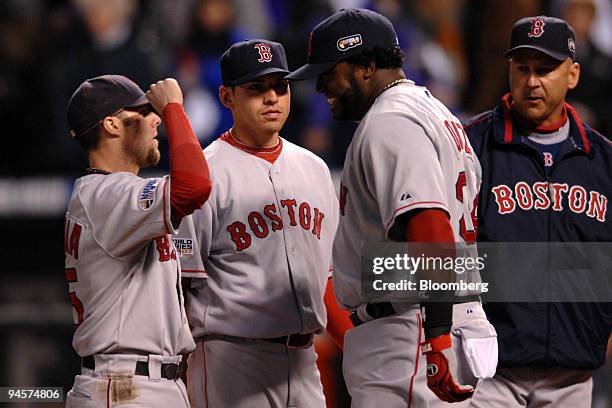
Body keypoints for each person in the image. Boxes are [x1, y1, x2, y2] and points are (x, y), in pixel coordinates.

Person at [287, 8, 497, 408]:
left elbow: (429, 225)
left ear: (366, 66)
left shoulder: (390, 121)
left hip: (411, 330)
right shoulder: (433, 110)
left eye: (329, 72)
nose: (320, 87)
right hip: (438, 317)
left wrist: (435, 336)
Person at [175, 39, 349, 408]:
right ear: (227, 97)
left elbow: (329, 279)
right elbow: (180, 285)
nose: (272, 98)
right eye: (257, 88)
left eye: (280, 86)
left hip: (304, 360)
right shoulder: (205, 174)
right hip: (231, 359)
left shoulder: (315, 169)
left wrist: (356, 348)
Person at [463, 16, 612, 408]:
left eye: (546, 69)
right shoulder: (470, 148)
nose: (532, 81)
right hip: (488, 372)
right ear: (509, 70)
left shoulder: (604, 161)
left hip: (573, 374)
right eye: (523, 68)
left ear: (573, 74)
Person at [63, 75, 212, 407]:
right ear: (113, 125)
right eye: (143, 111)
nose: (155, 118)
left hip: (137, 382)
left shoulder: (108, 195)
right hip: (125, 386)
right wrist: (174, 108)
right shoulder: (106, 194)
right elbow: (195, 186)